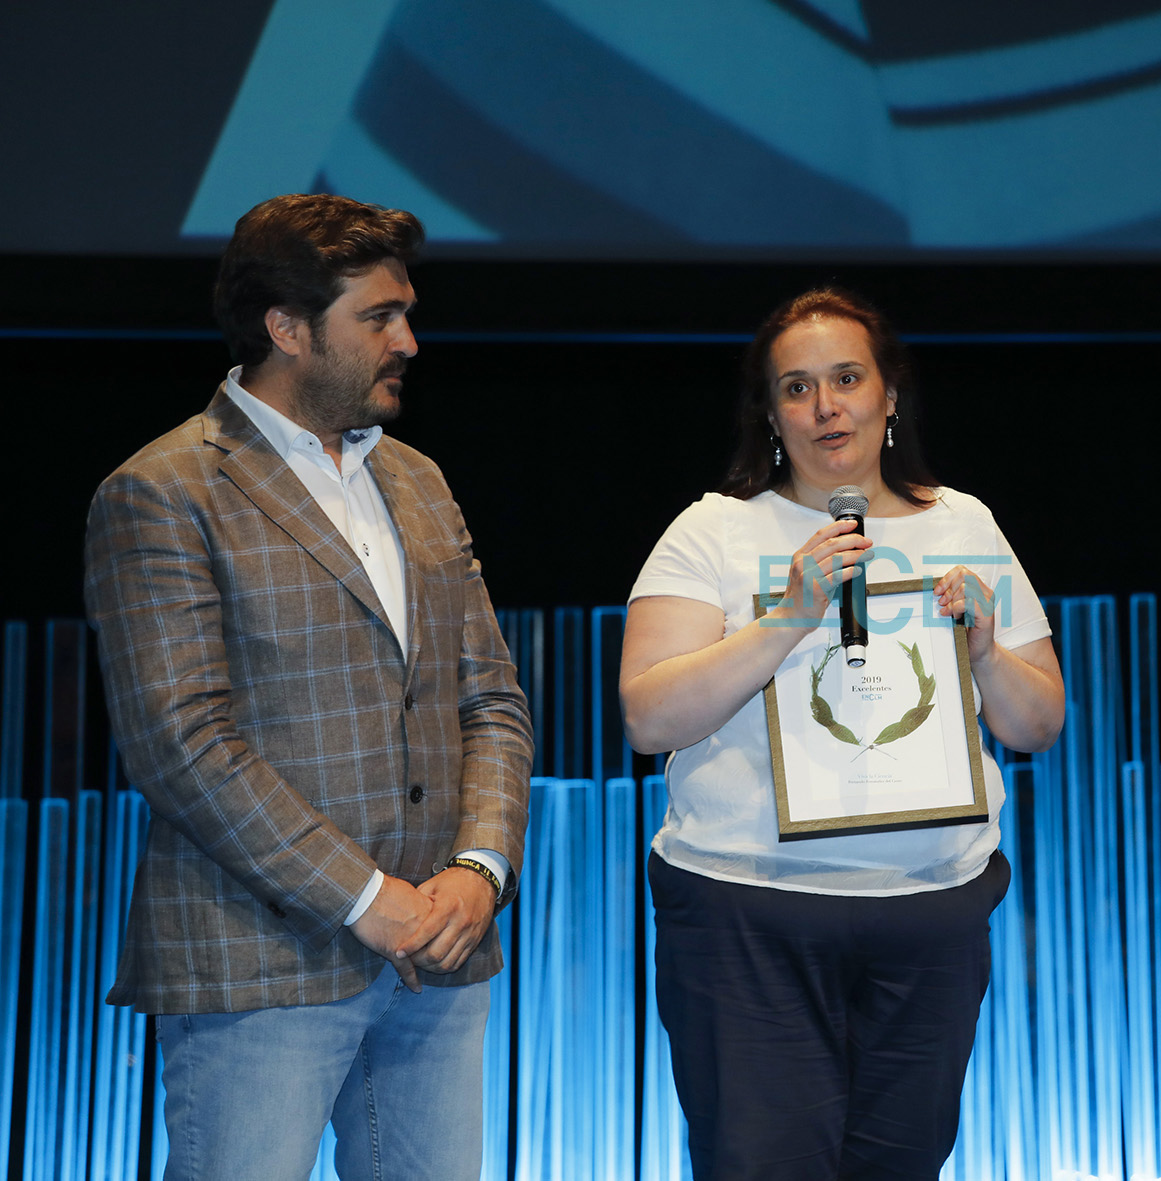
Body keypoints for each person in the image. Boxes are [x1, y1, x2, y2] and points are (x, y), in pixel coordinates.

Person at [83, 194, 532, 1180]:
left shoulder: (416, 478)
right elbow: (181, 742)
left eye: (405, 311)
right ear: (285, 329)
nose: (407, 339)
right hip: (258, 964)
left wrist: (478, 870)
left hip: (439, 954)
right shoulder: (163, 490)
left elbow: (489, 696)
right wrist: (370, 900)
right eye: (378, 316)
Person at [620, 286, 1064, 1179]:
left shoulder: (963, 522)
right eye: (796, 387)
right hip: (748, 918)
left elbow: (1039, 719)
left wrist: (983, 649)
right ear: (771, 414)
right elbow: (646, 717)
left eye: (847, 378)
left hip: (930, 916)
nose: (825, 406)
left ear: (889, 395)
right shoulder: (715, 530)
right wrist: (787, 615)